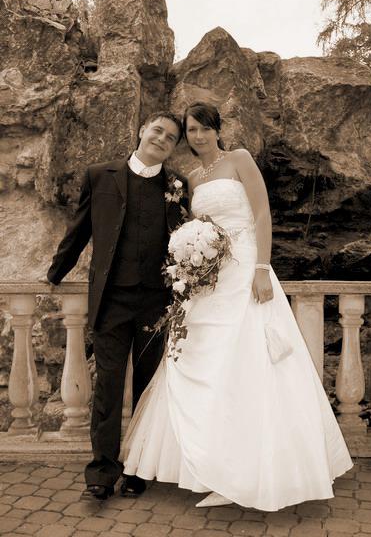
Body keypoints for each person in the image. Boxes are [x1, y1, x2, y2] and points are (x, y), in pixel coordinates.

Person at [120, 101, 353, 511]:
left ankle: (252, 470)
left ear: (217, 129)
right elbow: (197, 229)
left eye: (205, 128)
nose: (199, 136)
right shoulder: (192, 178)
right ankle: (211, 465)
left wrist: (262, 268)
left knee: (249, 361)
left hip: (245, 271)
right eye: (192, 130)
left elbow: (261, 214)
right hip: (209, 281)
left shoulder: (240, 159)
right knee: (202, 360)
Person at [47, 111, 186, 501]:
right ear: (142, 130)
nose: (162, 139)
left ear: (173, 148)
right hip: (111, 300)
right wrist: (56, 272)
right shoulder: (100, 175)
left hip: (155, 302)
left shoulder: (177, 185)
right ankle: (102, 472)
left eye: (171, 137)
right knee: (108, 386)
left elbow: (181, 240)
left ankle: (139, 468)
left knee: (146, 387)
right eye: (157, 130)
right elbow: (80, 230)